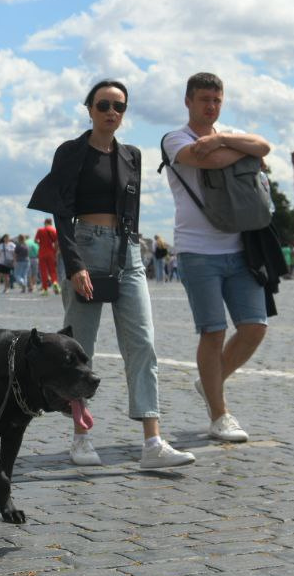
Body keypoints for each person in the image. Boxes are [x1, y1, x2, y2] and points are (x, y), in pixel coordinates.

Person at [29, 80, 195, 470]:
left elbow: (130, 210)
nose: (111, 112)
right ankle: (81, 437)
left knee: (143, 343)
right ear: (89, 109)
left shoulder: (132, 155)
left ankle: (152, 442)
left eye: (118, 106)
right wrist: (74, 264)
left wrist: (130, 247)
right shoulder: (71, 152)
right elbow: (60, 211)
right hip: (84, 246)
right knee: (77, 349)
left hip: (127, 252)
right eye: (103, 104)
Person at [161, 72, 272, 444]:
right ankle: (219, 414)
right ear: (188, 101)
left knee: (255, 326)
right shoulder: (174, 139)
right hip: (197, 251)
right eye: (204, 99)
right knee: (213, 331)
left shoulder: (229, 134)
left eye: (217, 100)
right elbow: (210, 162)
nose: (211, 106)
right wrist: (243, 151)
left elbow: (264, 146)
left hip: (240, 248)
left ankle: (209, 381)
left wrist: (224, 139)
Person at [35, 218, 60, 295]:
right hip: (51, 253)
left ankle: (45, 289)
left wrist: (41, 244)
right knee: (52, 270)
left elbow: (36, 240)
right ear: (51, 223)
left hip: (42, 253)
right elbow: (56, 242)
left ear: (45, 222)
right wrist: (55, 251)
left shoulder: (40, 230)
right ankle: (55, 283)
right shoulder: (54, 230)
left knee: (43, 271)